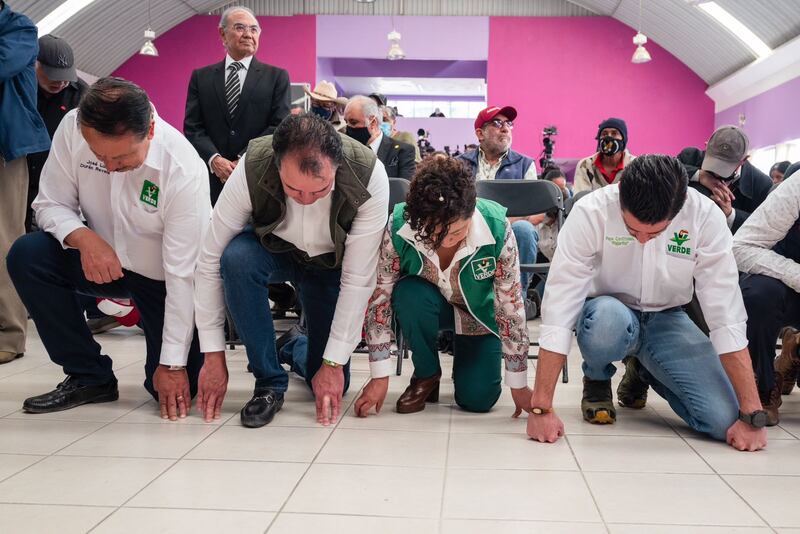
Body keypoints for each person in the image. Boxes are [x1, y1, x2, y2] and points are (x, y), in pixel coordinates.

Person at [526, 154, 767, 452]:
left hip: (668, 318)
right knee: (606, 321)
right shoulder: (592, 211)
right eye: (632, 230)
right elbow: (560, 307)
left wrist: (751, 413)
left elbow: (726, 315)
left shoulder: (704, 216)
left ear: (678, 210)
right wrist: (541, 408)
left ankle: (644, 369)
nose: (642, 239)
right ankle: (597, 377)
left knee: (722, 420)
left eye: (654, 233)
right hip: (608, 312)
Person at [7, 78, 209, 418]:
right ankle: (89, 375)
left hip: (163, 279)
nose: (111, 167)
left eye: (123, 157)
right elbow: (49, 204)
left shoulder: (184, 169)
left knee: (172, 389)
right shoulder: (73, 128)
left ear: (151, 130)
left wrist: (172, 366)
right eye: (99, 157)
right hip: (100, 262)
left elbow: (184, 276)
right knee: (28, 256)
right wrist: (84, 238)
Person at [193, 114, 389, 427]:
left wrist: (333, 362)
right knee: (235, 259)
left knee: (325, 380)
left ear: (336, 166)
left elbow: (357, 279)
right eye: (294, 190)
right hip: (273, 249)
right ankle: (268, 381)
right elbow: (208, 258)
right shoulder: (251, 167)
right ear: (276, 163)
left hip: (330, 265)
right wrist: (213, 353)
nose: (307, 200)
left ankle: (294, 346)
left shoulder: (368, 175)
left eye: (320, 189)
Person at [355, 157, 531, 417]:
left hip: (479, 316)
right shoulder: (399, 225)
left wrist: (519, 385)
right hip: (427, 305)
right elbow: (380, 299)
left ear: (472, 211)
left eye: (458, 232)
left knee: (478, 400)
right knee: (408, 293)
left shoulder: (497, 227)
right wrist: (379, 376)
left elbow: (510, 306)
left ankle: (467, 362)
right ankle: (426, 374)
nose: (447, 241)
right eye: (435, 233)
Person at [184, 5, 290, 206]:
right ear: (223, 34)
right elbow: (193, 127)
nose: (248, 34)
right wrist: (215, 160)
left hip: (257, 178)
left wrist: (243, 158)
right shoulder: (201, 77)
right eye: (240, 28)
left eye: (254, 29)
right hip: (211, 180)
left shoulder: (276, 77)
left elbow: (280, 127)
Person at [0, 1, 51, 365]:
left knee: (4, 240)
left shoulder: (20, 29)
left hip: (5, 150)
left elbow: (4, 64)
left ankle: (10, 334)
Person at [459, 105, 541, 319]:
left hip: (510, 229)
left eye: (508, 123)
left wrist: (499, 224)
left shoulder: (525, 164)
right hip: (467, 229)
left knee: (524, 228)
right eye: (497, 123)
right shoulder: (460, 164)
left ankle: (515, 301)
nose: (505, 128)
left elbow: (534, 212)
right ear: (479, 133)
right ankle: (464, 299)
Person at [734, 164, 800, 425]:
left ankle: (794, 351)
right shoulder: (795, 188)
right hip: (786, 287)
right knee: (758, 294)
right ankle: (762, 384)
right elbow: (741, 246)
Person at [25, 35, 89, 233]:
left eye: (65, 76)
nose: (61, 82)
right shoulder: (19, 84)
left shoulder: (81, 94)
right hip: (20, 170)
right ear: (35, 63)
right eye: (53, 74)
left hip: (55, 177)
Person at [677, 126, 772, 234]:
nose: (717, 173)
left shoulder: (762, 185)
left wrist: (731, 214)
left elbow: (764, 227)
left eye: (725, 166)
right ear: (706, 146)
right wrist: (699, 175)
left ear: (743, 160)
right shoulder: (689, 157)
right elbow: (661, 173)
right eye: (713, 163)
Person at [344, 95, 416, 180]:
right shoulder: (344, 150)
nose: (348, 127)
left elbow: (403, 189)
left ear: (373, 122)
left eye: (353, 122)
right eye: (346, 122)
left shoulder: (403, 151)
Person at [573, 118, 634, 193]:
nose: (609, 137)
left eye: (614, 133)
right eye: (604, 134)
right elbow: (580, 199)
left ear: (623, 139)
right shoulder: (585, 165)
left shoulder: (635, 166)